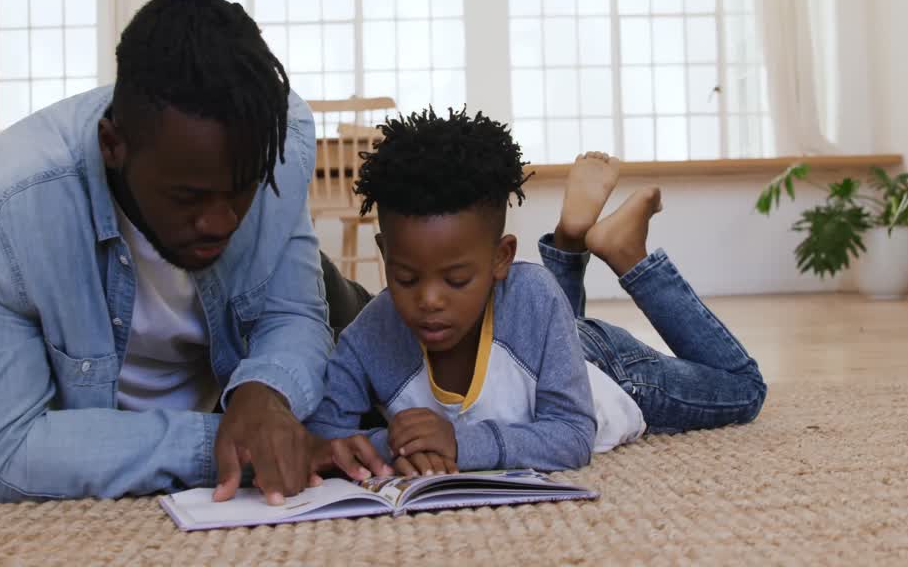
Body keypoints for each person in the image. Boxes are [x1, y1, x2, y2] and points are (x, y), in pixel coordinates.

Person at [0, 0, 387, 504]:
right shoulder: (6, 213)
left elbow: (290, 316)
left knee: (388, 359)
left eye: (241, 190)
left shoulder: (281, 141)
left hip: (313, 304)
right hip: (168, 419)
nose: (221, 221)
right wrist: (227, 443)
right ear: (113, 146)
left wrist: (265, 394)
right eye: (189, 197)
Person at [306, 109, 767, 476]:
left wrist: (457, 442)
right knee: (541, 313)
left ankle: (629, 254)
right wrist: (396, 443)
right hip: (539, 337)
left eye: (456, 280)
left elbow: (571, 435)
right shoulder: (367, 337)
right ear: (385, 253)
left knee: (744, 390)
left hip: (603, 371)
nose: (429, 299)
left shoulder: (531, 295)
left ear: (501, 257)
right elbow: (325, 435)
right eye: (405, 278)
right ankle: (569, 241)